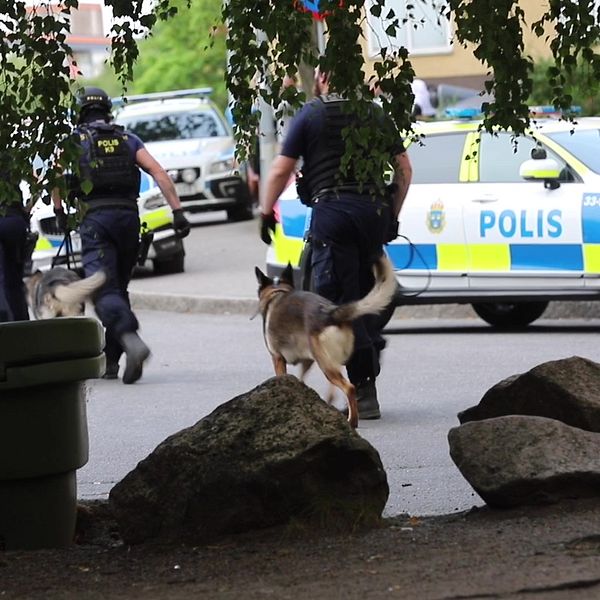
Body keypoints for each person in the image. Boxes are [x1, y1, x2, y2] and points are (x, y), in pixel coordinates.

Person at [259, 67, 412, 419]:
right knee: (366, 295)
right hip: (373, 212)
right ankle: (366, 373)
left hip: (333, 216)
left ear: (323, 80)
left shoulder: (311, 113)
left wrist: (266, 211)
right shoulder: (374, 112)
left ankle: (361, 383)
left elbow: (281, 170)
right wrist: (392, 216)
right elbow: (403, 169)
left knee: (333, 302)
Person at [52, 87, 191, 384]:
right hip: (128, 219)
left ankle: (130, 337)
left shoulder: (75, 141)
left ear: (81, 112)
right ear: (107, 110)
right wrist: (177, 212)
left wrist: (60, 210)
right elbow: (158, 172)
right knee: (118, 288)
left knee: (104, 289)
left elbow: (56, 176)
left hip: (96, 221)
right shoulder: (128, 139)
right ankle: (113, 360)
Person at [0, 167, 30, 323]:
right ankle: (23, 328)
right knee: (14, 282)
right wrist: (26, 212)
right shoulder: (9, 156)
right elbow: (40, 180)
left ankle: (5, 326)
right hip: (15, 222)